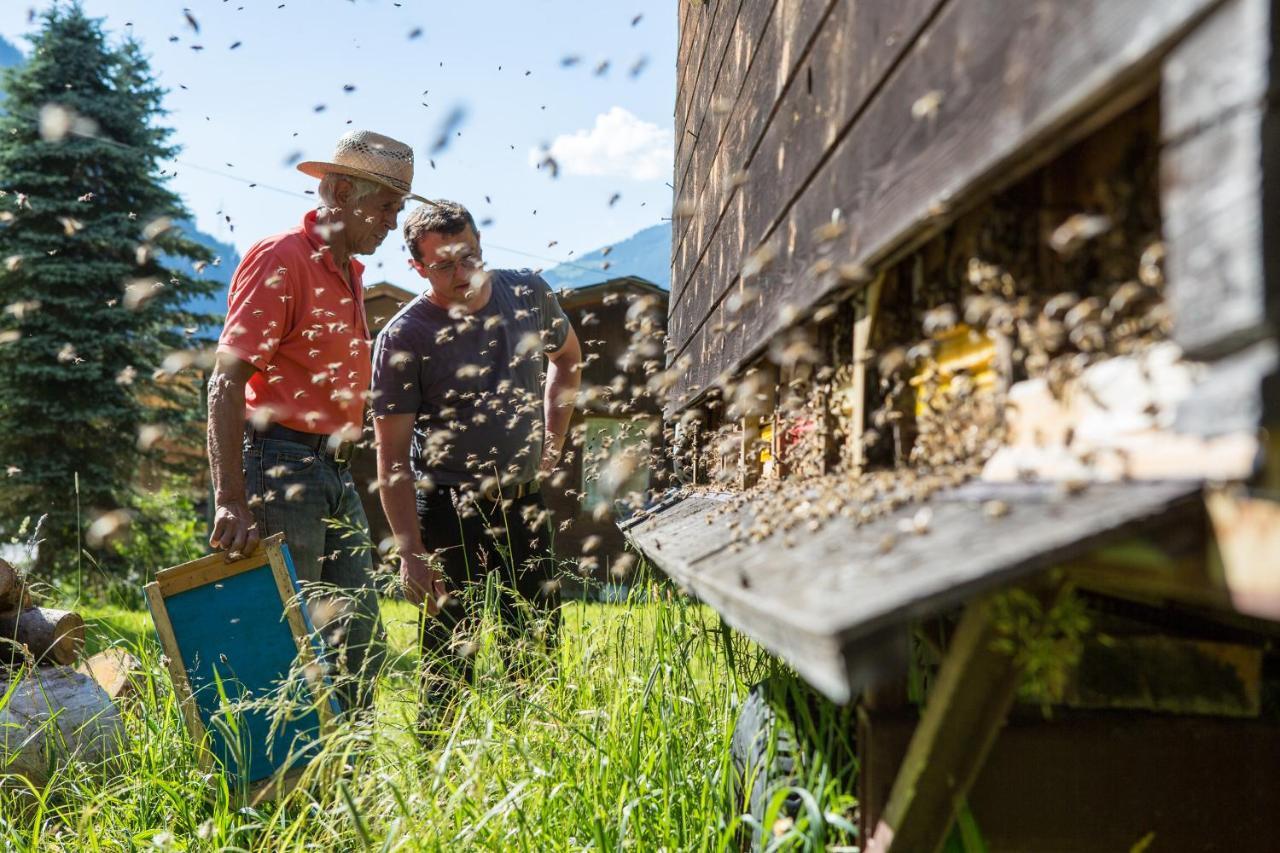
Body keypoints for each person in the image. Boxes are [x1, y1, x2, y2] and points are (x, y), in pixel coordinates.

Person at [206, 129, 423, 715]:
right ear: (342, 192)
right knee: (285, 651)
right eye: (385, 206)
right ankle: (277, 794)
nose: (391, 220)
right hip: (276, 466)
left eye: (399, 208)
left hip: (331, 469)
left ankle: (346, 791)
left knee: (357, 647)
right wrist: (230, 498)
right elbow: (225, 381)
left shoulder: (349, 272)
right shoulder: (282, 257)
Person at [371, 200, 581, 718]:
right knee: (447, 669)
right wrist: (411, 554)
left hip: (525, 504)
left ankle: (537, 771)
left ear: (481, 244)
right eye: (443, 265)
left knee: (536, 660)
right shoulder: (404, 337)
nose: (461, 274)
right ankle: (433, 780)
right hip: (447, 512)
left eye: (468, 257)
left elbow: (568, 360)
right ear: (416, 267)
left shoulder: (529, 292)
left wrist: (551, 445)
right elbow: (392, 458)